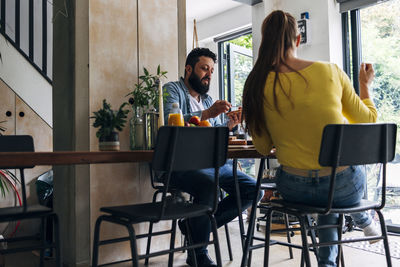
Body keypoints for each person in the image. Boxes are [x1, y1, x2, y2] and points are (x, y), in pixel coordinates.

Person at [242, 10, 379, 267]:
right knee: (336, 185)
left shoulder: (257, 84)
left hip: (294, 189)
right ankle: (364, 222)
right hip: (341, 188)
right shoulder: (331, 72)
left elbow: (261, 148)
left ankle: (332, 256)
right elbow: (369, 119)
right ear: (298, 39)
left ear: (265, 41)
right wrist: (365, 84)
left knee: (326, 197)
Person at [163, 47, 263, 267]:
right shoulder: (172, 89)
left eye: (211, 70)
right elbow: (171, 121)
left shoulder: (208, 101)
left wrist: (230, 123)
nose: (208, 74)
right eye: (204, 69)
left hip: (213, 164)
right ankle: (198, 253)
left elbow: (214, 133)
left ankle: (193, 228)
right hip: (179, 165)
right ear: (189, 69)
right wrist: (208, 115)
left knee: (254, 190)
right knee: (209, 186)